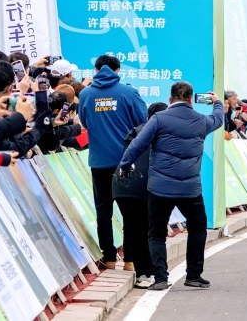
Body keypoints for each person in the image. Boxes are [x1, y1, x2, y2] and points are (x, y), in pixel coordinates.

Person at [117, 81, 224, 291]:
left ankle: (160, 278)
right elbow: (218, 119)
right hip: (190, 189)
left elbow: (138, 144)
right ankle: (194, 275)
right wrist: (217, 103)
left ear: (170, 99)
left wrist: (125, 165)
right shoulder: (201, 121)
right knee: (198, 228)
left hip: (160, 187)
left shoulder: (158, 119)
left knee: (156, 233)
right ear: (191, 100)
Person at [79, 54, 149, 267]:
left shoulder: (85, 94)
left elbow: (84, 122)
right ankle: (130, 260)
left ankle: (109, 258)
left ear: (96, 70)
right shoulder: (129, 92)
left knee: (103, 210)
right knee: (131, 212)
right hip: (126, 162)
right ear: (117, 70)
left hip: (99, 161)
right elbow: (142, 122)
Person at [113, 102, 167, 289]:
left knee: (133, 227)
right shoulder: (164, 132)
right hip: (144, 185)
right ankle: (147, 272)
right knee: (148, 230)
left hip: (122, 185)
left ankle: (140, 270)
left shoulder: (135, 130)